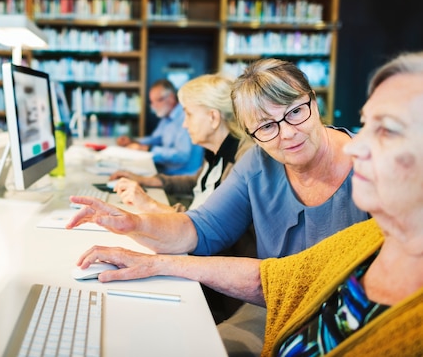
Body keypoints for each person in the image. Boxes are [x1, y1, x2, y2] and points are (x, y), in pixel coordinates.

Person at [73, 52, 423, 356]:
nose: (286, 134)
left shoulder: (376, 192)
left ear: (314, 102)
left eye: (295, 112)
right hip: (272, 309)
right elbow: (224, 244)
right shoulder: (260, 163)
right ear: (250, 134)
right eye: (266, 126)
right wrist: (137, 225)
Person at [110, 73, 252, 214]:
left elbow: (210, 226)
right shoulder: (215, 151)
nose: (184, 124)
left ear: (213, 117)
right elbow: (197, 181)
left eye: (189, 115)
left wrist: (150, 205)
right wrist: (146, 181)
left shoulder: (240, 162)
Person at [116, 78, 203, 175]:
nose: (154, 106)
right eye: (152, 102)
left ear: (170, 98)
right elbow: (155, 139)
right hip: (166, 172)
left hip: (181, 177)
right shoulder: (166, 117)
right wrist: (133, 141)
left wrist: (147, 149)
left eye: (158, 101)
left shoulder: (183, 117)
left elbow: (182, 155)